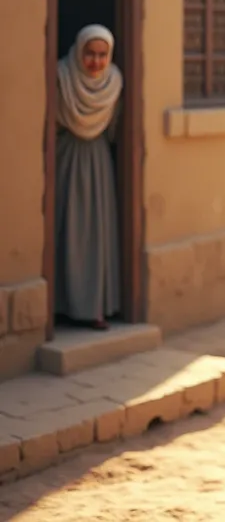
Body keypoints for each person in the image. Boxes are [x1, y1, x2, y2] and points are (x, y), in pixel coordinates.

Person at [55, 24, 123, 331]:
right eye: (90, 54)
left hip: (97, 164)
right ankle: (61, 304)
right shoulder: (61, 77)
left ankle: (95, 307)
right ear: (79, 51)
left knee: (96, 233)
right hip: (66, 159)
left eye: (102, 55)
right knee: (65, 230)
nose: (95, 62)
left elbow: (115, 127)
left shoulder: (114, 82)